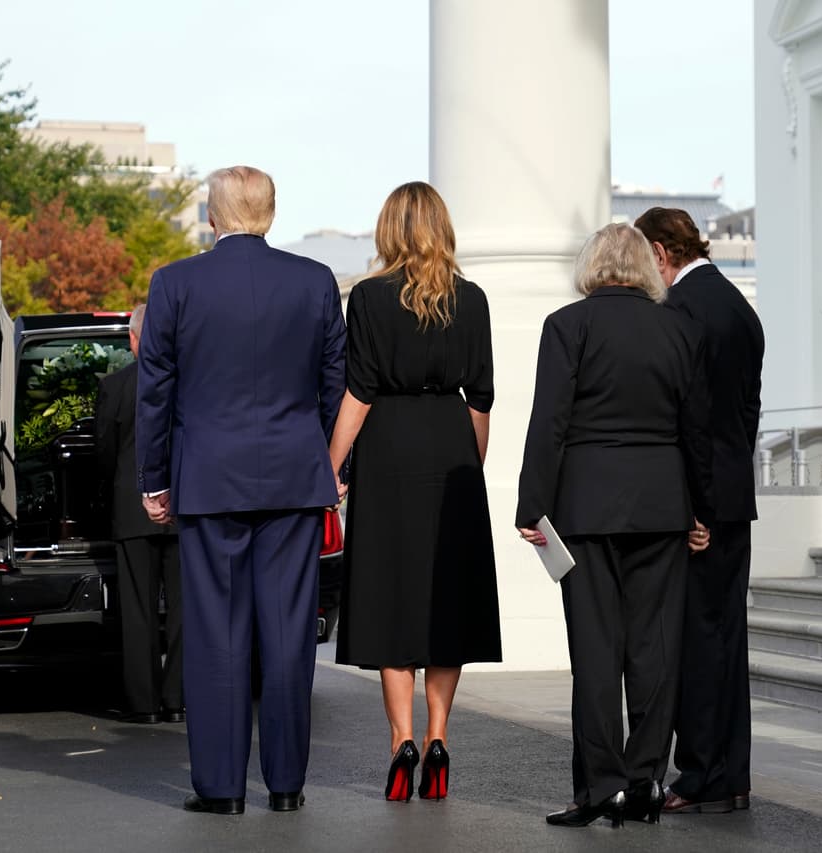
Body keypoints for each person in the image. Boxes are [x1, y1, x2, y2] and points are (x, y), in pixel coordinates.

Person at [135, 165, 346, 816]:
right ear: (271, 214)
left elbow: (155, 391)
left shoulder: (174, 284)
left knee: (217, 634)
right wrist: (328, 464)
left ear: (213, 215)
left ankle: (222, 788)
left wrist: (154, 477)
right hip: (292, 478)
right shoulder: (314, 283)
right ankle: (286, 784)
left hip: (208, 477)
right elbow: (334, 382)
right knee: (288, 634)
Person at [516, 222, 713, 827]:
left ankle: (601, 788)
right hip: (661, 504)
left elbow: (548, 422)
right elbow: (697, 428)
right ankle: (647, 778)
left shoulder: (566, 326)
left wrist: (532, 507)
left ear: (593, 267)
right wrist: (701, 509)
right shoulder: (680, 328)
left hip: (584, 506)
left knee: (595, 652)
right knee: (654, 649)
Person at [328, 181, 502, 803]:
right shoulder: (473, 299)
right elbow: (480, 395)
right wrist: (468, 463)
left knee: (391, 594)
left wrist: (332, 462)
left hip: (389, 450)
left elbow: (361, 389)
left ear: (389, 230)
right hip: (450, 446)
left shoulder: (370, 298)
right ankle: (438, 738)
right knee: (446, 597)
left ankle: (400, 740)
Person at [633, 207, 765, 815]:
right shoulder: (740, 306)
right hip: (736, 491)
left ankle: (699, 774)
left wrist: (695, 509)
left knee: (694, 640)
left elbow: (692, 420)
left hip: (701, 503)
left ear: (661, 253)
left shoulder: (682, 312)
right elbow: (743, 415)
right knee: (727, 637)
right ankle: (731, 774)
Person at [95, 302, 183, 725]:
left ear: (133, 340)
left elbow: (105, 453)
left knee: (138, 608)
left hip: (133, 510)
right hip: (185, 511)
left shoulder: (115, 386)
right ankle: (178, 699)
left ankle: (143, 702)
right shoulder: (188, 383)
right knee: (186, 610)